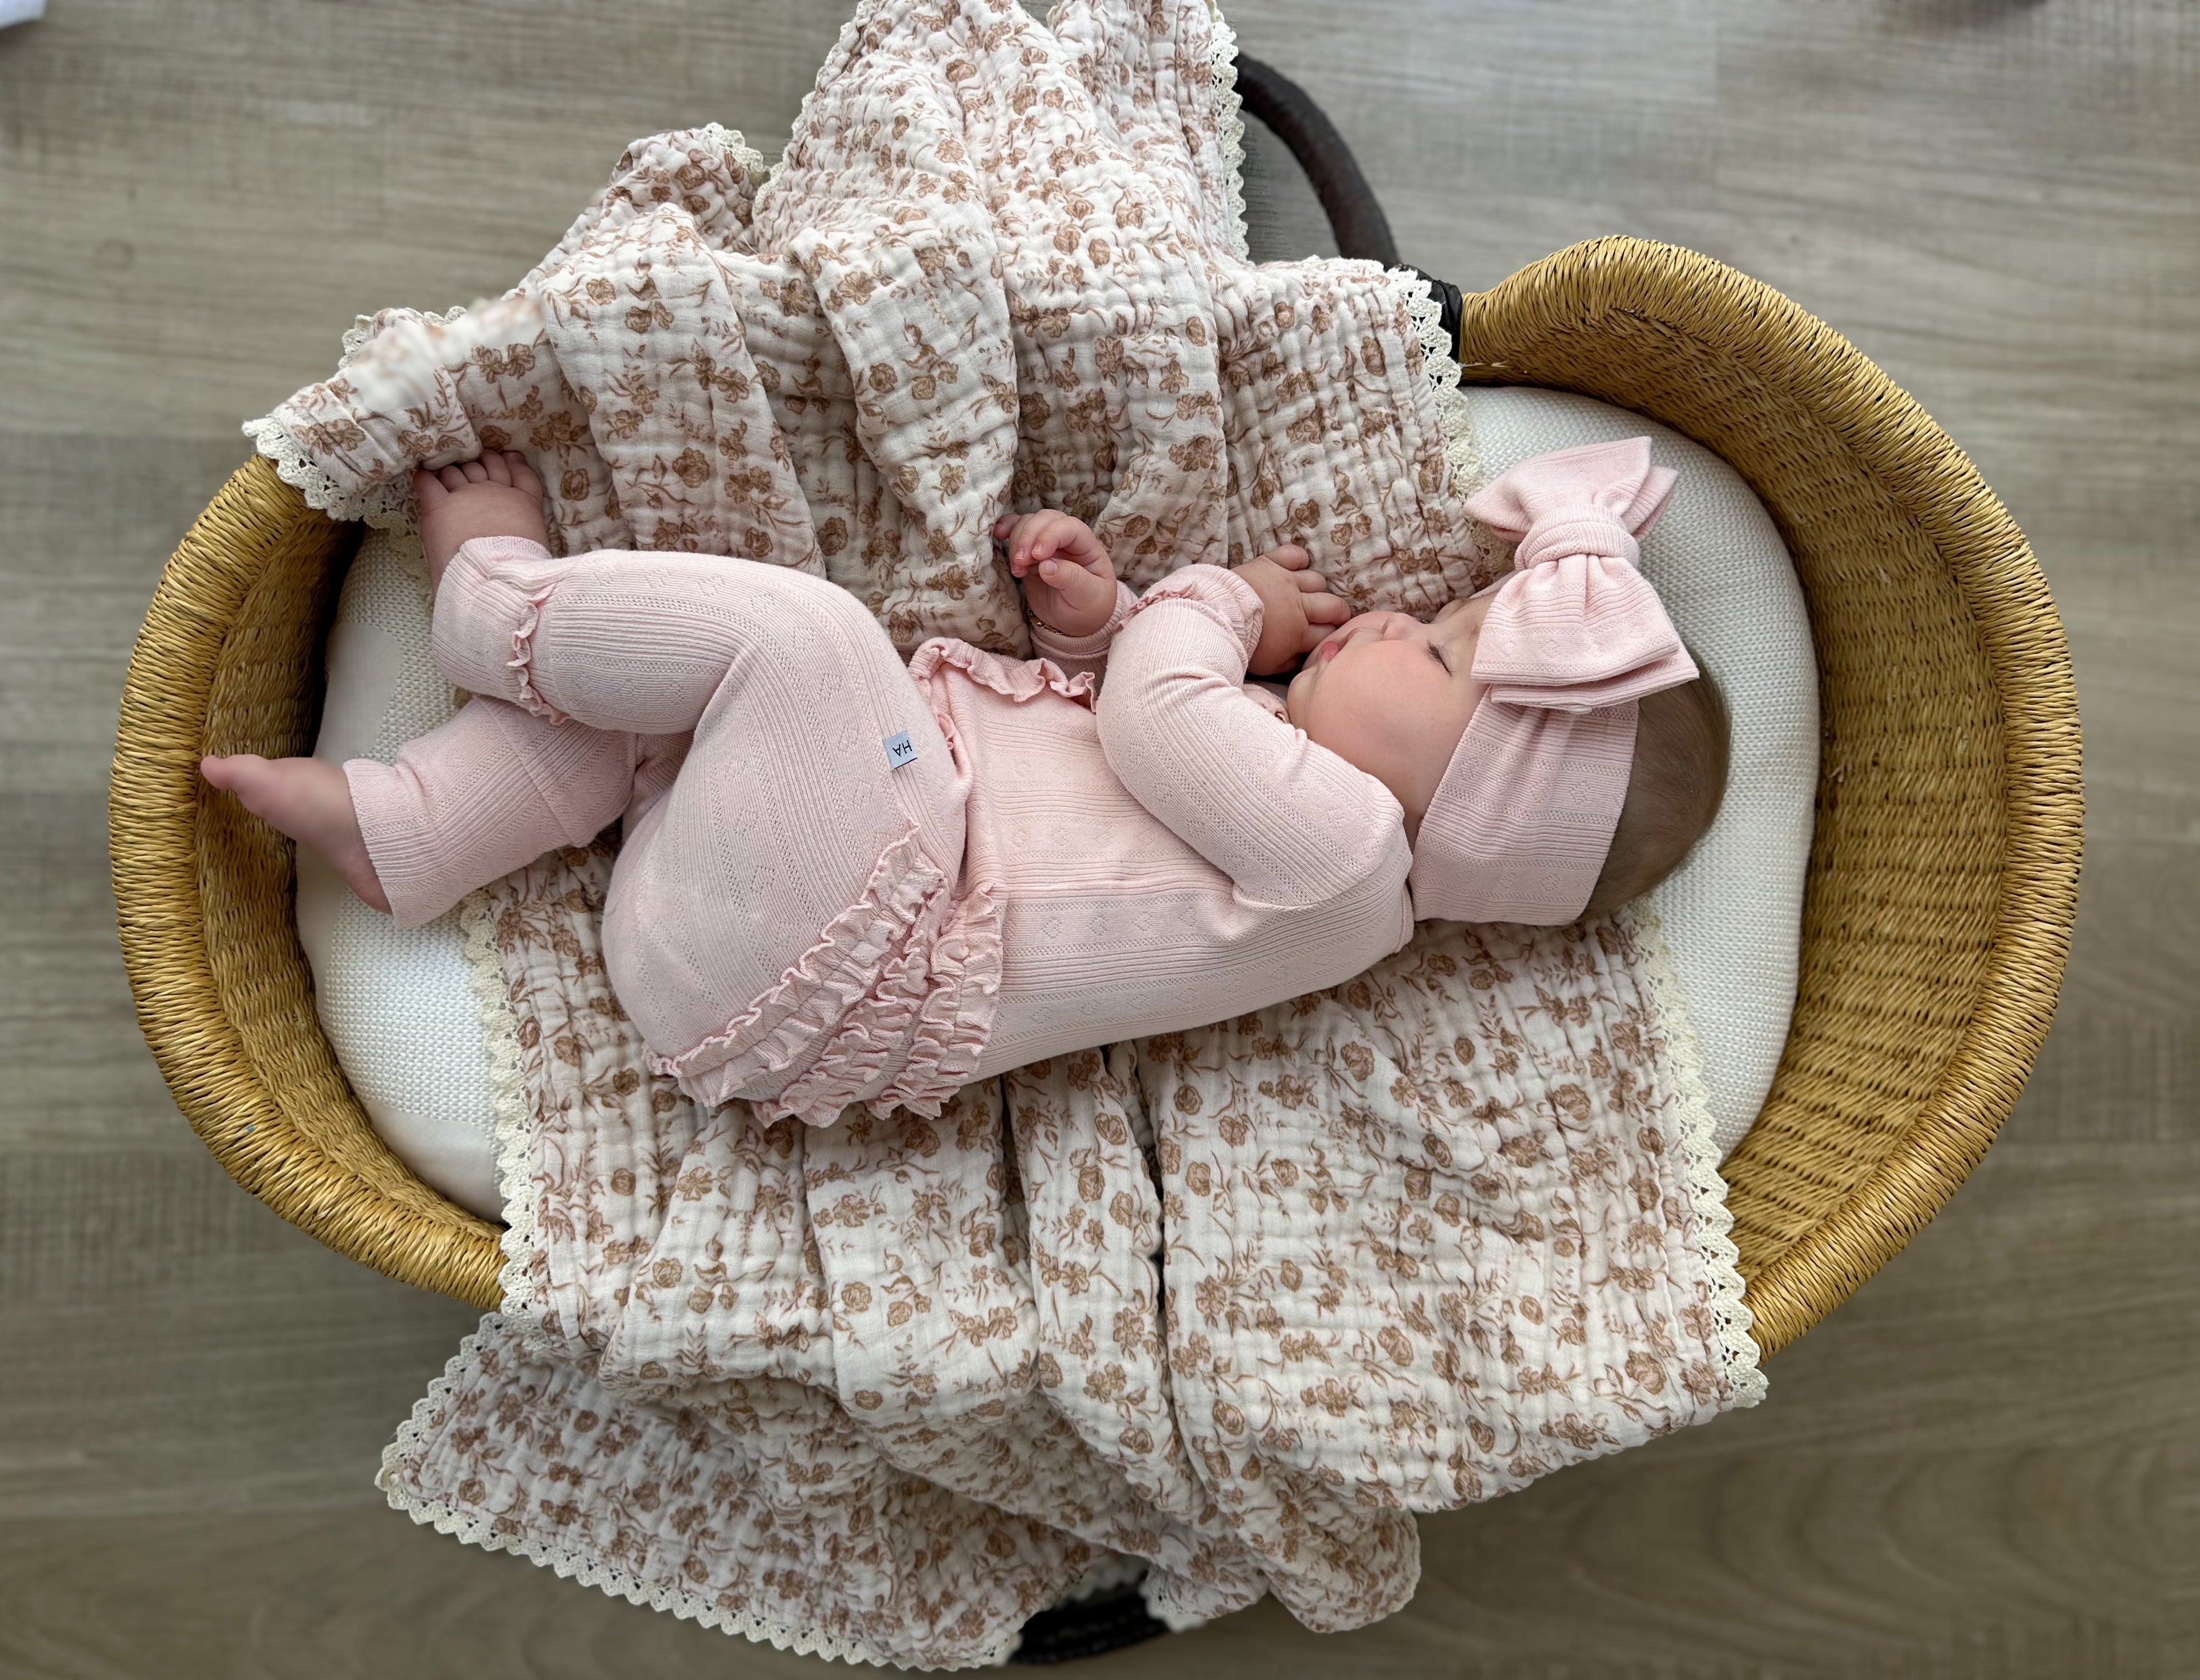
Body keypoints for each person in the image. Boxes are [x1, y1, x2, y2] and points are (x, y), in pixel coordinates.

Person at [202, 438, 1725, 1127]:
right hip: (787, 914)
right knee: (684, 707)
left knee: (801, 645)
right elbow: (1117, 731)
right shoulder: (1303, 815)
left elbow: (1153, 722)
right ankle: (420, 827)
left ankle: (489, 605)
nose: (1398, 615)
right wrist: (1094, 619)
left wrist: (1224, 605)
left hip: (846, 948)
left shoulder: (1347, 862)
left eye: (1443, 658)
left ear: (1476, 820)